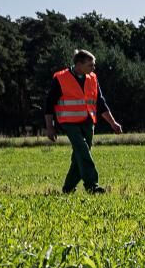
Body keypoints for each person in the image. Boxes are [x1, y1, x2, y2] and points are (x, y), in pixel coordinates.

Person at [45, 48, 122, 194]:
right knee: (83, 151)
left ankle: (68, 189)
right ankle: (92, 185)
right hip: (68, 122)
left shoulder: (92, 78)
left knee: (79, 156)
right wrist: (50, 127)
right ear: (79, 65)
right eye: (90, 65)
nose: (93, 68)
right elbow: (49, 104)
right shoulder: (61, 78)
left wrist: (113, 123)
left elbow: (100, 102)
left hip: (87, 121)